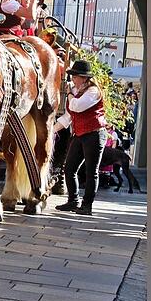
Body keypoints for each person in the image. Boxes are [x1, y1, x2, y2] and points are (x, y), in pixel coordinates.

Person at [53, 60, 108, 215]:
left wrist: (70, 94)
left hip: (94, 134)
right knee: (69, 168)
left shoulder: (93, 91)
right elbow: (68, 116)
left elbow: (76, 106)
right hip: (80, 134)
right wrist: (52, 131)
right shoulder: (78, 93)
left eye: (74, 77)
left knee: (92, 171)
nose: (72, 80)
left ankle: (87, 205)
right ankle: (73, 201)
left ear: (84, 78)